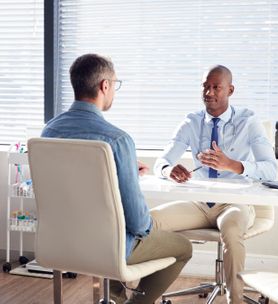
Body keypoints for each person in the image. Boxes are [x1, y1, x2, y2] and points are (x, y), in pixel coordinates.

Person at [41, 53, 192, 304]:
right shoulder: (117, 140)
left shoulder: (49, 132)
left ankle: (115, 298)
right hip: (109, 248)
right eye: (115, 85)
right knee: (183, 247)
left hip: (62, 243)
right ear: (105, 86)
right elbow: (138, 222)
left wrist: (120, 168)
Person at [151, 65, 278, 304]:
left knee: (230, 230)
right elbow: (162, 162)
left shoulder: (248, 121)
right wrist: (170, 171)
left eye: (216, 87)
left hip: (235, 203)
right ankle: (140, 295)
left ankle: (235, 300)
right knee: (149, 221)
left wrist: (232, 165)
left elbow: (271, 170)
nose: (209, 93)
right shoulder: (192, 121)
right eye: (205, 87)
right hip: (199, 204)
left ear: (230, 90)